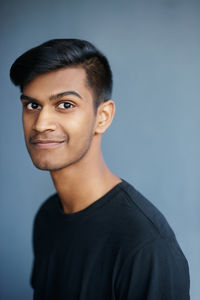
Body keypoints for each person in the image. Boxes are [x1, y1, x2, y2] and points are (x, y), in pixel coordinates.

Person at [10, 39, 190, 300]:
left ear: (102, 117)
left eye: (65, 105)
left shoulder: (147, 247)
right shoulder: (48, 218)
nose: (41, 124)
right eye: (32, 105)